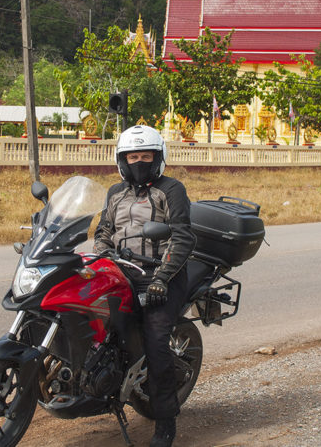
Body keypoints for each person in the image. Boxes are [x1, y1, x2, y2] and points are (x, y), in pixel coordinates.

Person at [93, 125, 195, 447]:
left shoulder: (172, 189)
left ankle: (165, 423)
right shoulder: (114, 192)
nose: (139, 161)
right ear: (122, 159)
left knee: (156, 345)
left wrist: (162, 279)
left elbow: (182, 237)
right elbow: (102, 234)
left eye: (145, 156)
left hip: (161, 276)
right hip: (123, 271)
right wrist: (104, 257)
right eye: (132, 156)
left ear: (157, 158)